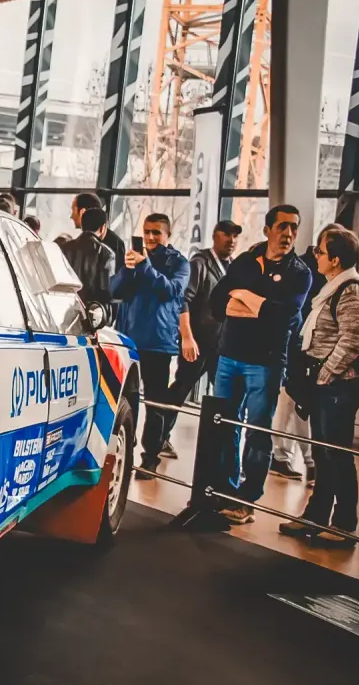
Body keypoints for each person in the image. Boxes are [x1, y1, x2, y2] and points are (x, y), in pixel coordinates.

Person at [209, 205, 313, 523]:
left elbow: (285, 317)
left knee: (257, 433)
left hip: (265, 363)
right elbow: (217, 304)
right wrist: (261, 307)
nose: (288, 233)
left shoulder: (300, 273)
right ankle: (225, 490)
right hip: (229, 356)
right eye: (282, 226)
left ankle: (247, 499)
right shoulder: (245, 262)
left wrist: (244, 298)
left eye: (294, 227)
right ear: (267, 230)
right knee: (224, 426)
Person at [278, 227, 359, 547]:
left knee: (337, 455)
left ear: (335, 260)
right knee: (322, 453)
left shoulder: (352, 290)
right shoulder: (333, 286)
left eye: (320, 251)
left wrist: (324, 374)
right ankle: (316, 516)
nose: (315, 255)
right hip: (325, 386)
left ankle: (344, 524)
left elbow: (352, 340)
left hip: (338, 387)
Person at [112, 213, 190, 478]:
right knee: (127, 400)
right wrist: (128, 270)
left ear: (168, 234)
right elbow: (114, 291)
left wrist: (145, 266)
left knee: (155, 403)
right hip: (128, 340)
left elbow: (172, 290)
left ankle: (151, 457)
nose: (150, 237)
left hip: (157, 343)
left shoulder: (179, 263)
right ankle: (126, 449)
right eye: (147, 232)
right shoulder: (136, 259)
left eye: (156, 232)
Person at [157, 219, 241, 459]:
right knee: (181, 389)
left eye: (235, 236)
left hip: (222, 345)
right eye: (226, 234)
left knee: (226, 396)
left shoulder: (234, 267)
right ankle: (159, 438)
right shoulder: (200, 263)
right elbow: (183, 300)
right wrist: (187, 337)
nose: (231, 240)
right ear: (215, 236)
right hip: (198, 342)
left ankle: (224, 448)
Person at [269, 222, 345, 483]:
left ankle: (302, 459)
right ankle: (283, 456)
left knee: (299, 406)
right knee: (289, 404)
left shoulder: (333, 278)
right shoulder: (303, 270)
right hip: (295, 346)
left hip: (307, 350)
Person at [57, 206, 115, 307]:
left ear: (82, 226)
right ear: (103, 228)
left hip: (65, 307)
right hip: (91, 311)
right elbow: (106, 291)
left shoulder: (64, 248)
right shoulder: (107, 254)